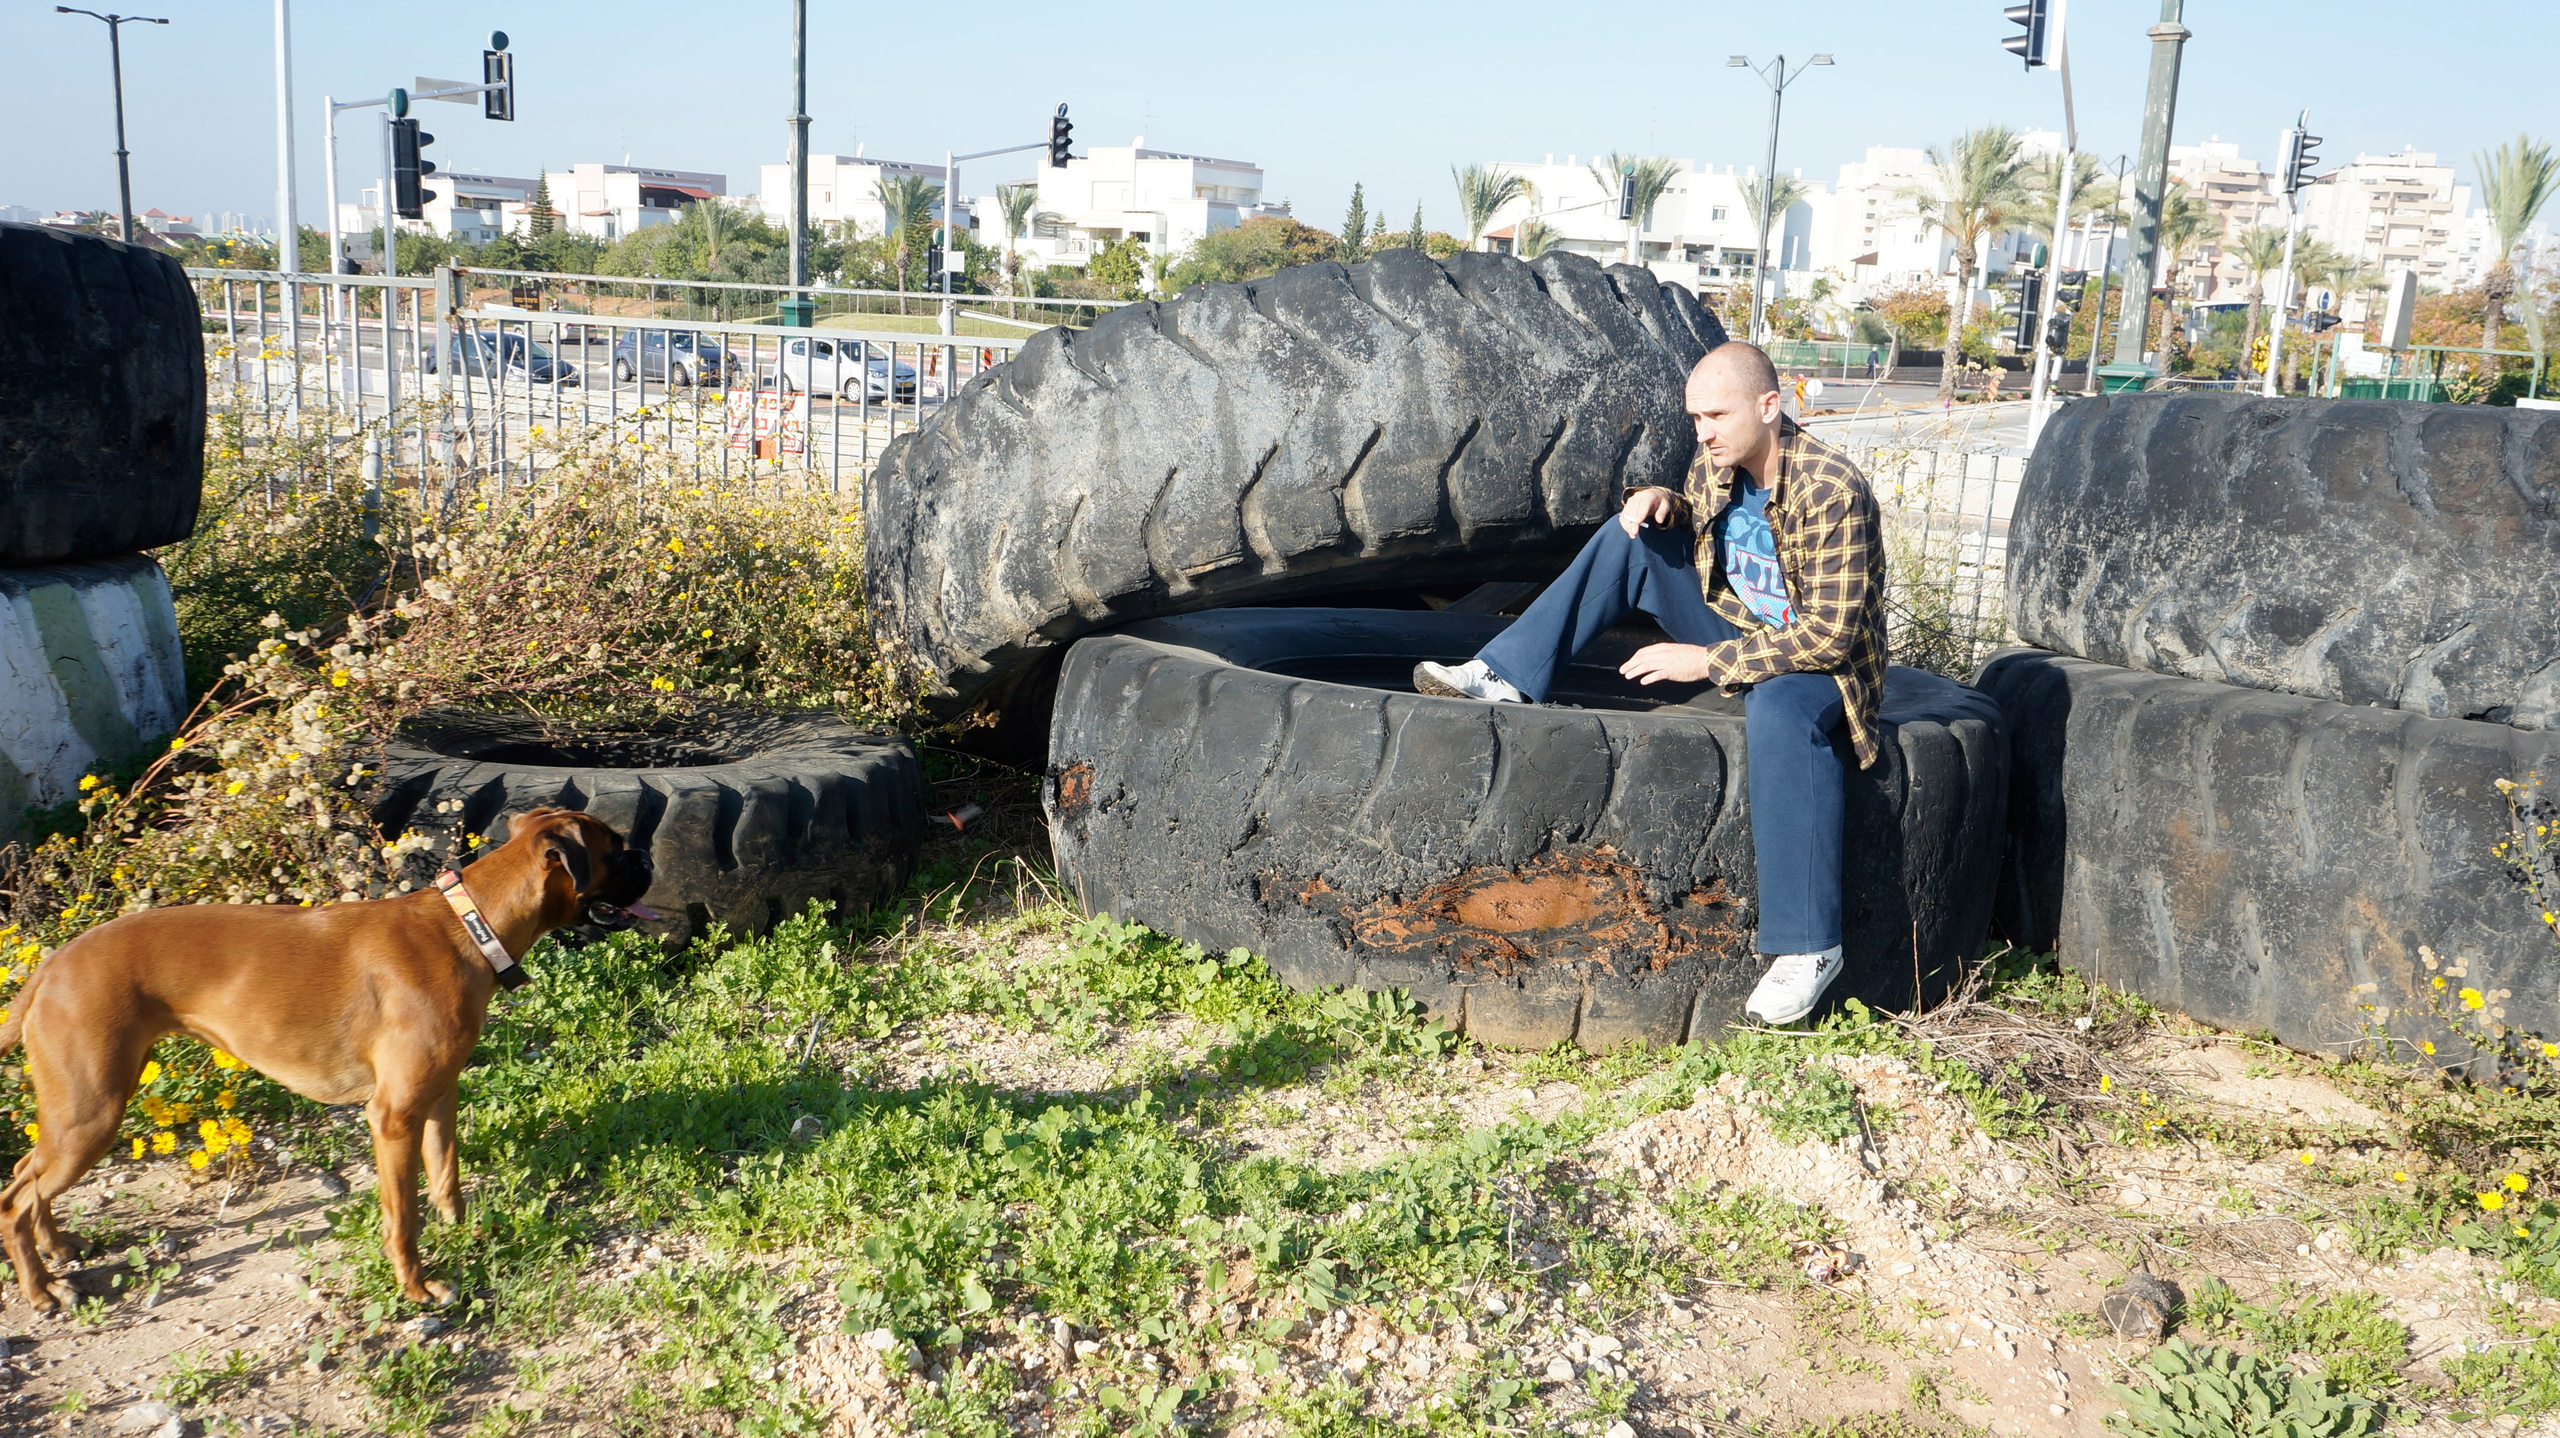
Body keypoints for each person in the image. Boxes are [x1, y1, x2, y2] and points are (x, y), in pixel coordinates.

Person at [1413, 341, 1888, 1025]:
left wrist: (1705, 662)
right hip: (1734, 623)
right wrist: (1665, 502)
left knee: (1780, 713)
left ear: (1769, 406)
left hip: (1817, 666)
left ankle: (1809, 946)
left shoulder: (1831, 488)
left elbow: (1829, 637)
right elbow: (1705, 527)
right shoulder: (1715, 462)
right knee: (1629, 534)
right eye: (1695, 418)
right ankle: (1505, 674)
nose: (1703, 432)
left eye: (1717, 416)